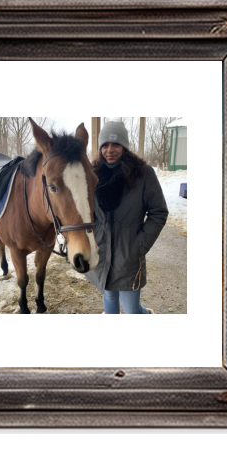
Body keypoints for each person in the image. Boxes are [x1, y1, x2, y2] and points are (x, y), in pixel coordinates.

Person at [85, 121, 169, 314]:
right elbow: (88, 212)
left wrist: (139, 245)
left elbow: (159, 212)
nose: (110, 150)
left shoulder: (143, 174)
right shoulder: (93, 174)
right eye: (105, 145)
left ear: (125, 147)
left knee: (132, 311)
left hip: (128, 254)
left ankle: (145, 314)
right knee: (110, 296)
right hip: (102, 252)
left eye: (116, 144)